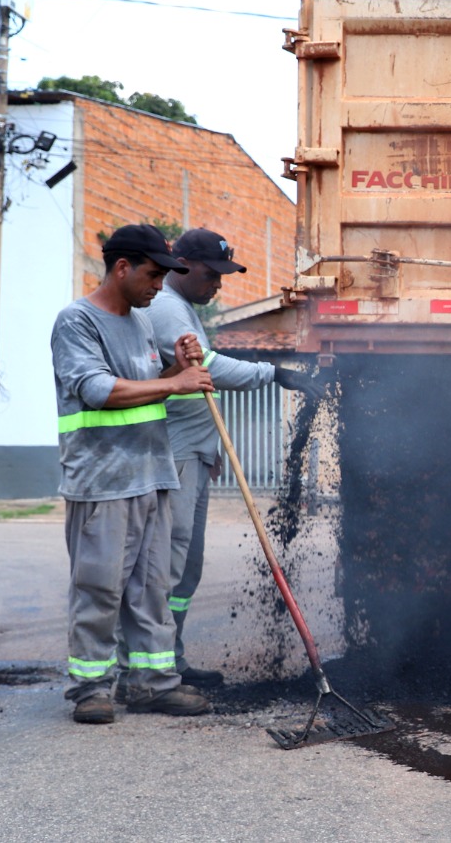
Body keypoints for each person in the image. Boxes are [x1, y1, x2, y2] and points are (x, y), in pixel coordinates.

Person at [134, 228, 323, 688]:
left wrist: (210, 448)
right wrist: (275, 373)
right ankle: (150, 669)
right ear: (183, 265)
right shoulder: (165, 309)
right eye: (211, 274)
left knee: (187, 565)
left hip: (193, 453)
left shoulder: (183, 309)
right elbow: (207, 368)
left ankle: (170, 660)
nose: (218, 284)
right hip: (173, 456)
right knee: (169, 563)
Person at [51, 224, 215, 724]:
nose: (159, 285)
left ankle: (151, 683)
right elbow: (100, 391)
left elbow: (147, 389)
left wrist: (174, 373)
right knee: (99, 588)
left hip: (152, 474)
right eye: (153, 273)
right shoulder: (77, 321)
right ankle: (90, 689)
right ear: (121, 267)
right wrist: (180, 380)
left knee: (151, 592)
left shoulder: (142, 324)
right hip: (103, 480)